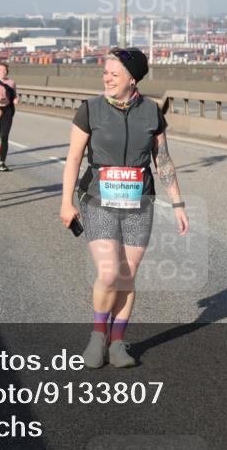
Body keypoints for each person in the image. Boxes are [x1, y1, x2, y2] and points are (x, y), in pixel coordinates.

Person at [61, 48, 189, 369]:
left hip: (139, 201)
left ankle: (117, 342)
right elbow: (74, 158)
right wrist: (66, 202)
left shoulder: (152, 112)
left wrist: (177, 203)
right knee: (108, 273)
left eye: (114, 74)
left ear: (133, 79)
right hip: (98, 200)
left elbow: (163, 160)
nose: (107, 78)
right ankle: (96, 336)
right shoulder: (89, 110)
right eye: (105, 72)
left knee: (127, 275)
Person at [0, 62, 19, 171]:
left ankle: (2, 163)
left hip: (7, 110)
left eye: (5, 69)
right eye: (1, 69)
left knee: (5, 137)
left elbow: (14, 95)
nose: (3, 71)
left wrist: (15, 100)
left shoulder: (11, 83)